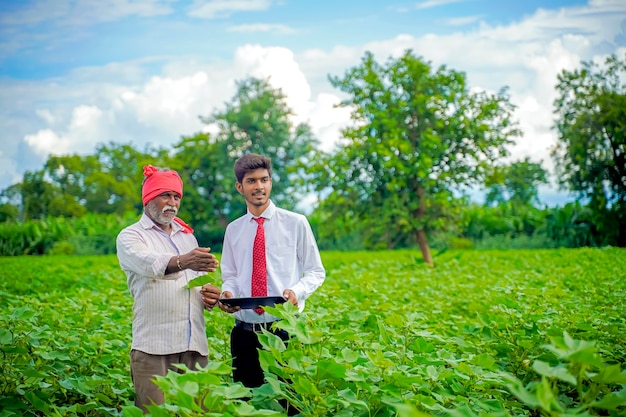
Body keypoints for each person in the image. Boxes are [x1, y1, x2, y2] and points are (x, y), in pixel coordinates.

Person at [116, 165, 221, 413]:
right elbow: (149, 264)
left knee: (200, 411)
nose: (172, 203)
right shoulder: (131, 236)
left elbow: (194, 283)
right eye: (165, 195)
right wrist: (184, 261)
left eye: (176, 197)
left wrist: (208, 294)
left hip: (193, 344)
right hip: (154, 347)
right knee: (154, 412)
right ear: (149, 198)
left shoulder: (187, 237)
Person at [218, 153, 326, 392]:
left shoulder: (295, 223)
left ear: (270, 182)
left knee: (290, 402)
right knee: (246, 400)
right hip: (244, 334)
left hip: (284, 330)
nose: (259, 186)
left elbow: (315, 271)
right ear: (240, 187)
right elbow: (232, 276)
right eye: (251, 181)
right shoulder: (233, 230)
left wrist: (297, 291)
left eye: (264, 180)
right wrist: (228, 293)